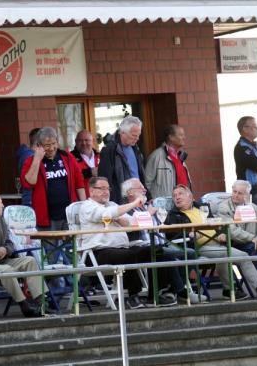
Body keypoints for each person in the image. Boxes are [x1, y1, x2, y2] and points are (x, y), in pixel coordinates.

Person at [79, 176, 178, 308]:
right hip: (97, 252)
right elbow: (106, 215)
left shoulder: (112, 205)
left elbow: (131, 222)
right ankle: (133, 296)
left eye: (107, 188)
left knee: (155, 250)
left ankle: (155, 295)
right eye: (101, 188)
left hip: (122, 248)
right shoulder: (87, 206)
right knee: (128, 256)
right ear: (91, 191)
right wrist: (133, 204)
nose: (106, 191)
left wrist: (118, 217)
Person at [165, 185, 257, 300]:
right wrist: (188, 235)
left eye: (180, 194)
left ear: (190, 196)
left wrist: (221, 233)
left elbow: (215, 224)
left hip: (218, 244)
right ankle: (233, 289)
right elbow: (169, 235)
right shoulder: (173, 215)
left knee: (243, 255)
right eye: (174, 196)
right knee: (227, 254)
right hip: (199, 247)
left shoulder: (203, 208)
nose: (177, 197)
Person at [122, 178, 206, 304]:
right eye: (140, 188)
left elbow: (161, 226)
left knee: (190, 253)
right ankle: (180, 291)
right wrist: (148, 215)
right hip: (139, 247)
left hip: (160, 243)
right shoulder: (125, 210)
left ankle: (173, 290)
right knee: (167, 255)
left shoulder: (148, 207)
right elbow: (130, 227)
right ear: (130, 193)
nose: (145, 190)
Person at [21, 126, 86, 231]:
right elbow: (29, 183)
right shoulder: (30, 161)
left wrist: (84, 206)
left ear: (57, 142)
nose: (51, 148)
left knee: (71, 247)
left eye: (53, 144)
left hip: (69, 216)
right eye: (47, 145)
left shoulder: (68, 157)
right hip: (46, 218)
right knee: (49, 247)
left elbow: (79, 183)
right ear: (39, 145)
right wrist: (37, 159)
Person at [98, 116, 147, 204]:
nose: (137, 138)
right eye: (134, 135)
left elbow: (140, 174)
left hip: (137, 198)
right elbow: (105, 180)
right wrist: (112, 202)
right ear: (122, 132)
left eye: (138, 135)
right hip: (120, 201)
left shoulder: (135, 149)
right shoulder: (109, 150)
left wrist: (148, 195)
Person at [144, 125, 191, 199]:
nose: (184, 138)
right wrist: (155, 201)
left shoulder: (180, 157)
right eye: (181, 135)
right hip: (163, 207)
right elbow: (146, 183)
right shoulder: (156, 156)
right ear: (171, 137)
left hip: (181, 204)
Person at [70, 129, 100, 197]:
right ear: (75, 142)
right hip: (81, 200)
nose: (83, 143)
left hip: (100, 199)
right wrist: (89, 172)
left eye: (87, 140)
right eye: (80, 140)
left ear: (93, 141)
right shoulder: (70, 158)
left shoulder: (100, 156)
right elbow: (70, 177)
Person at [16, 128, 40, 207]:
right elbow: (29, 181)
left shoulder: (24, 155)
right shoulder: (31, 157)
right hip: (31, 198)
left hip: (28, 197)